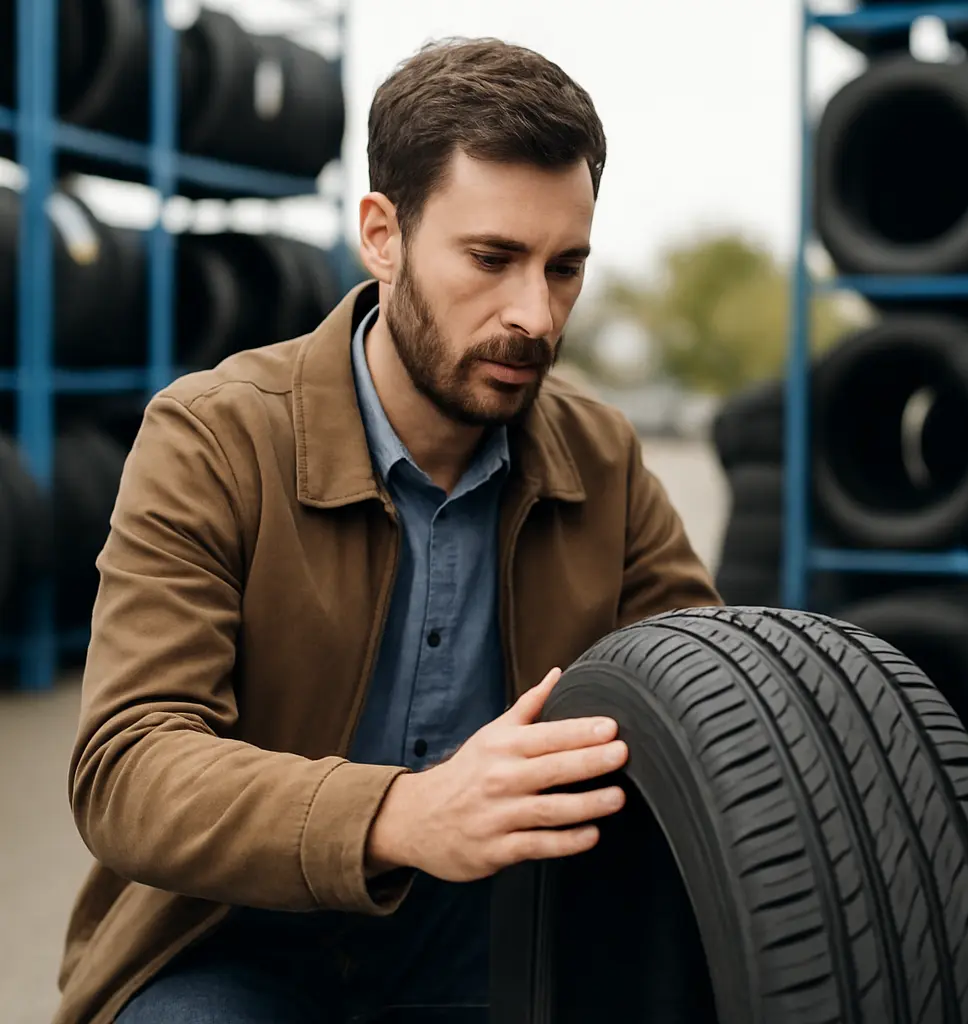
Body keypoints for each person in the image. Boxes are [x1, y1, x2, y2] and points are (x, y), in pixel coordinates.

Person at [53, 37, 721, 1024]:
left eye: (565, 266)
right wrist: (402, 815)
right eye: (492, 259)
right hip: (229, 940)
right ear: (382, 233)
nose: (535, 315)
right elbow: (128, 765)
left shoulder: (604, 458)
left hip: (492, 942)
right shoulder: (213, 437)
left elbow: (711, 709)